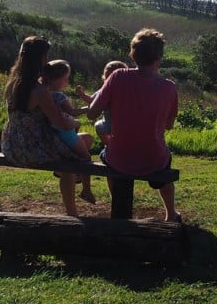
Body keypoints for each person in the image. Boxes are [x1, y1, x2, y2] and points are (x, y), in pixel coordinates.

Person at [87, 29, 180, 222]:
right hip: (154, 159)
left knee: (107, 155)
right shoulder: (169, 87)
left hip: (119, 158)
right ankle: (171, 213)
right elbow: (169, 126)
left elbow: (92, 113)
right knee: (165, 165)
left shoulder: (118, 76)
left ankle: (116, 202)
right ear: (159, 57)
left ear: (133, 54)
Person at [1, 35, 84, 216]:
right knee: (72, 154)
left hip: (11, 144)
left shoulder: (13, 83)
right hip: (31, 146)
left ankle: (72, 206)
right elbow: (60, 122)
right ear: (41, 58)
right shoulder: (38, 90)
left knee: (70, 149)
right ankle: (72, 211)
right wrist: (76, 121)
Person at [41, 59, 96, 204]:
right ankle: (86, 189)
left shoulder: (42, 94)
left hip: (53, 134)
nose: (67, 82)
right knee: (86, 158)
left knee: (87, 140)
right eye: (66, 78)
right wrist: (87, 109)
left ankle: (73, 174)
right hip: (66, 134)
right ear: (56, 79)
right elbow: (72, 112)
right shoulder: (59, 96)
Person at [76, 60, 128, 146]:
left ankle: (109, 145)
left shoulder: (104, 91)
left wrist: (81, 94)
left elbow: (91, 100)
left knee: (98, 125)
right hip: (128, 124)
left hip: (110, 124)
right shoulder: (128, 91)